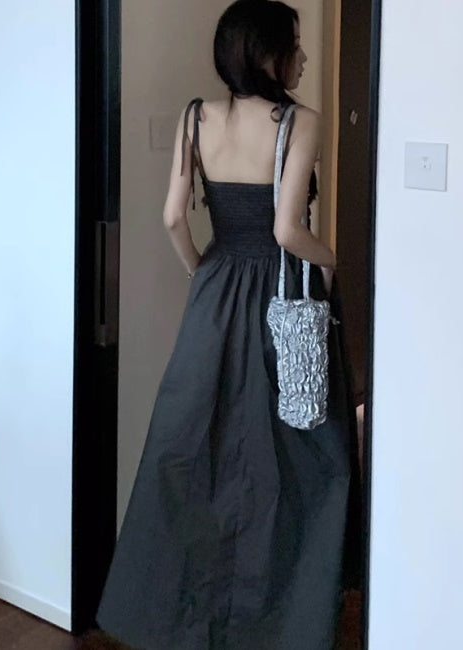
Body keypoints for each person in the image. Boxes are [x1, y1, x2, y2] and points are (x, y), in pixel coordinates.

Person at [95, 1, 363, 648]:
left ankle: (181, 617)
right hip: (282, 294)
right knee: (300, 456)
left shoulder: (196, 117)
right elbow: (288, 231)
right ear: (267, 55)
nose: (302, 56)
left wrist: (203, 272)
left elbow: (172, 217)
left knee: (195, 448)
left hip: (216, 292)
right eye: (294, 45)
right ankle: (286, 620)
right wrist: (333, 261)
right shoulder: (300, 122)